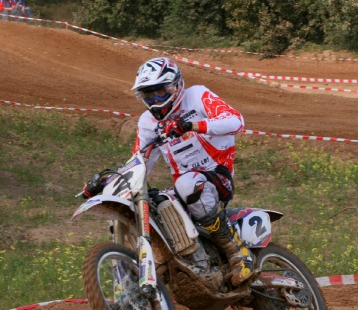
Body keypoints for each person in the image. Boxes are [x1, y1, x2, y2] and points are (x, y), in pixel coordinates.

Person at [86, 57, 253, 288]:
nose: (155, 100)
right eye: (148, 95)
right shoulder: (147, 122)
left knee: (187, 184)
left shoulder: (197, 96)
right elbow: (139, 162)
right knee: (149, 204)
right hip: (184, 185)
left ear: (176, 85)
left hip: (217, 175)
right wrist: (108, 183)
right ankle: (164, 269)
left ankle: (237, 251)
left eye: (160, 92)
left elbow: (236, 120)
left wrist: (191, 125)